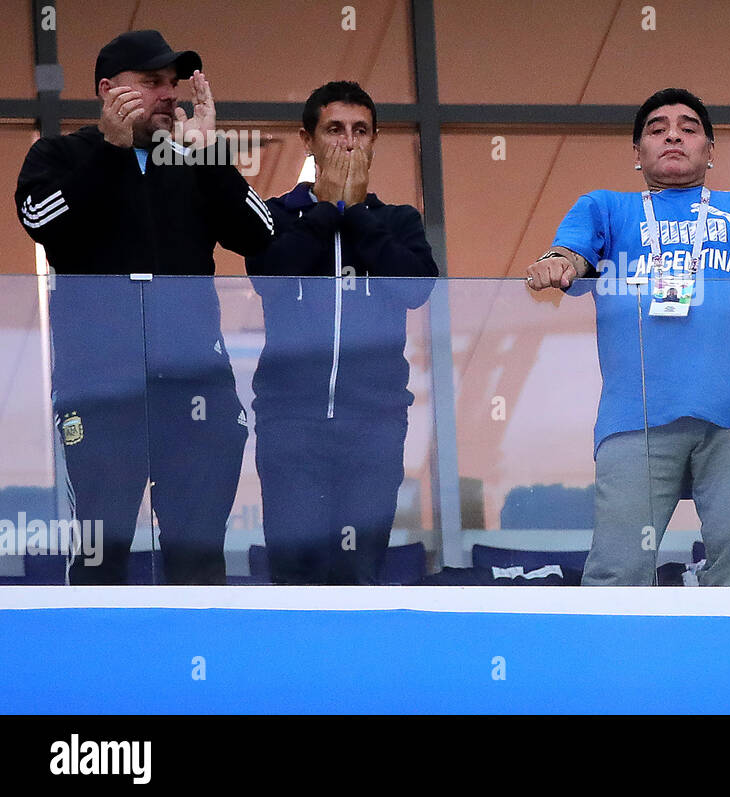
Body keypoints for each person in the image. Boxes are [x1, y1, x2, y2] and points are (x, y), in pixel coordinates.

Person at [524, 87, 730, 586]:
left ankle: (723, 667)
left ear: (711, 150)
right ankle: (617, 666)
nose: (673, 136)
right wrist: (558, 264)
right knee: (619, 569)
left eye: (688, 128)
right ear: (637, 154)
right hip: (637, 412)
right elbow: (572, 257)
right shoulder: (606, 207)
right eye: (657, 130)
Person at [15, 29, 274, 584]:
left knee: (198, 557)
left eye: (173, 84)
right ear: (107, 89)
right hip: (101, 390)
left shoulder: (190, 160)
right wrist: (109, 153)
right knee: (99, 557)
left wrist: (209, 157)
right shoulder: (60, 154)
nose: (169, 95)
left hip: (195, 392)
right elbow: (40, 222)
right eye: (151, 83)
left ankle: (195, 665)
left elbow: (262, 235)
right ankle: (97, 668)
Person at [246, 81, 437, 584]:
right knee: (294, 569)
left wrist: (355, 216)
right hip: (291, 422)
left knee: (359, 568)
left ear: (374, 142)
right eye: (334, 130)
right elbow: (270, 277)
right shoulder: (278, 214)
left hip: (373, 423)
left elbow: (416, 288)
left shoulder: (397, 220)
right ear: (307, 140)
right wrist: (327, 208)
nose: (348, 143)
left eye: (360, 131)